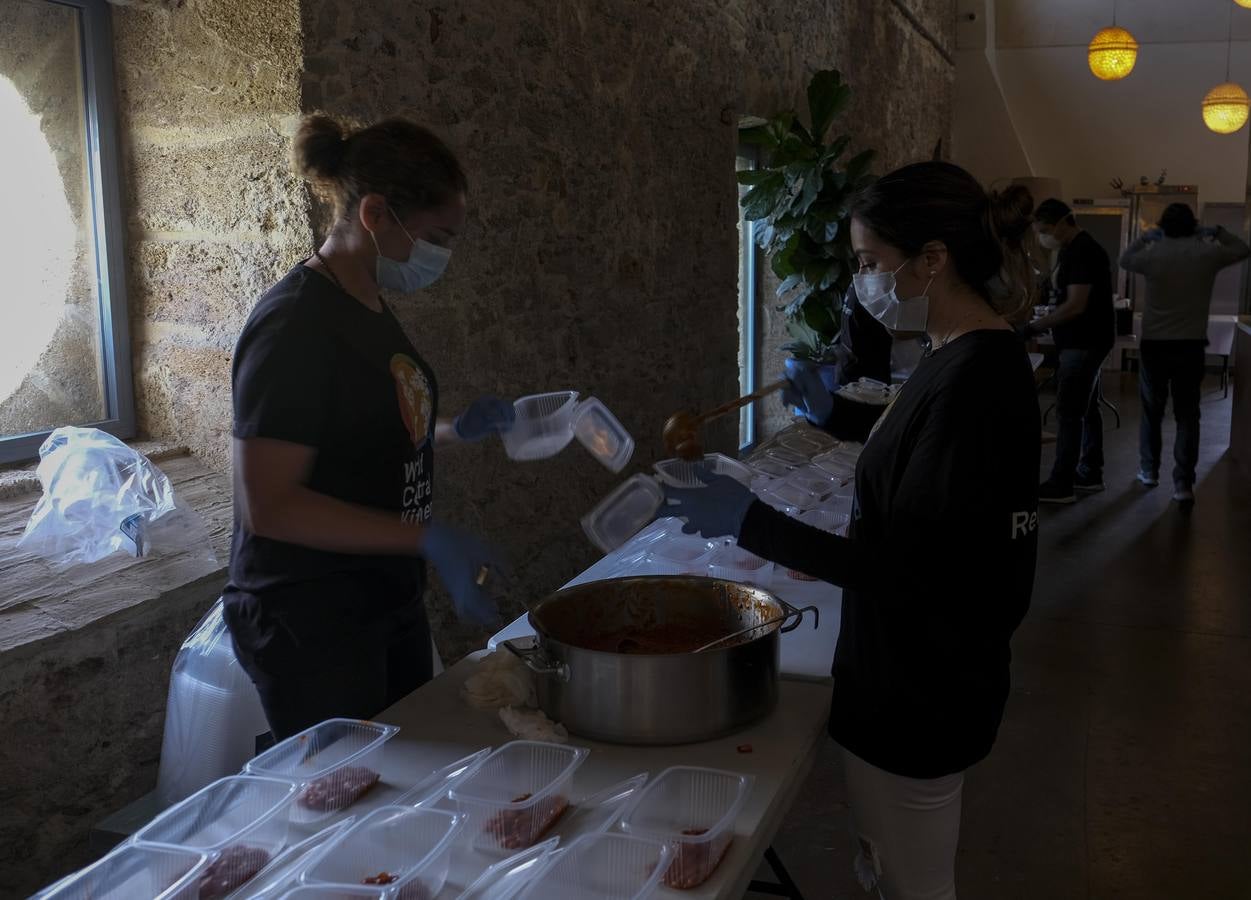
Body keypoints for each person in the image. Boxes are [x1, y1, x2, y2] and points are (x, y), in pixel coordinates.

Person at [665, 162, 1041, 900]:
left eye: (871, 263)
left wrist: (747, 520)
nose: (862, 282)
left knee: (911, 880)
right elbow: (926, 452)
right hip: (919, 672)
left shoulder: (976, 379)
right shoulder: (960, 354)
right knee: (893, 863)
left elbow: (906, 570)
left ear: (931, 261)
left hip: (921, 690)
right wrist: (835, 416)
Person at [223, 115, 517, 740]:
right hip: (312, 615)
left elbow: (363, 430)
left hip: (381, 596)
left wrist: (453, 430)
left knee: (408, 778)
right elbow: (269, 506)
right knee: (350, 798)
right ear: (376, 214)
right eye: (437, 235)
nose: (443, 254)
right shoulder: (295, 323)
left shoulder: (368, 303)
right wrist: (423, 538)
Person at [1119, 204, 1250, 504]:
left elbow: (1125, 259)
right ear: (1194, 225)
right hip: (1189, 345)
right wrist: (1215, 232)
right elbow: (1242, 248)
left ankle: (1149, 471)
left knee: (1152, 411)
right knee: (1188, 415)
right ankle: (1183, 485)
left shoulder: (1154, 253)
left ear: (1164, 225)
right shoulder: (1206, 253)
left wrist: (1149, 236)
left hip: (1155, 345)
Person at [1024, 198, 1115, 503]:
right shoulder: (1074, 250)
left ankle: (1061, 484)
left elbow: (1075, 305)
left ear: (1064, 222)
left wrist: (1035, 327)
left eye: (1046, 230)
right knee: (1087, 409)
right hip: (1087, 340)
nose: (1043, 236)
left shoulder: (1082, 251)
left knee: (1069, 412)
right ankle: (1090, 473)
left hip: (1083, 342)